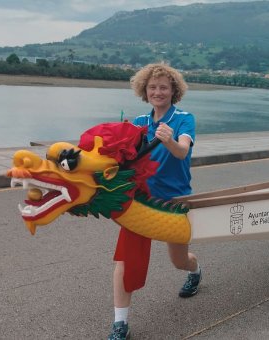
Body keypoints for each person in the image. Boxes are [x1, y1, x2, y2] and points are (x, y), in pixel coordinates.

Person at [108, 63, 201, 340]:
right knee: (125, 261)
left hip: (174, 201)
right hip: (141, 202)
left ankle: (195, 271)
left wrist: (170, 141)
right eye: (152, 87)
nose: (157, 92)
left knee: (179, 260)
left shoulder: (184, 119)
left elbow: (183, 152)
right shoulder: (138, 123)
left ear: (174, 90)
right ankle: (120, 324)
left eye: (163, 87)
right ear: (144, 91)